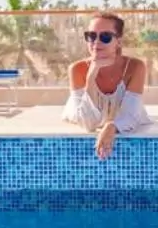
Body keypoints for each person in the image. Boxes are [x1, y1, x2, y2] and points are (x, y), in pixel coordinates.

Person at [63, 12, 151, 159]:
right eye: (91, 36)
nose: (96, 43)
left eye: (105, 37)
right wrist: (91, 77)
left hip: (119, 112)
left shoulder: (135, 67)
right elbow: (88, 123)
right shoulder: (77, 69)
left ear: (119, 41)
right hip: (80, 111)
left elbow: (131, 116)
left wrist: (111, 126)